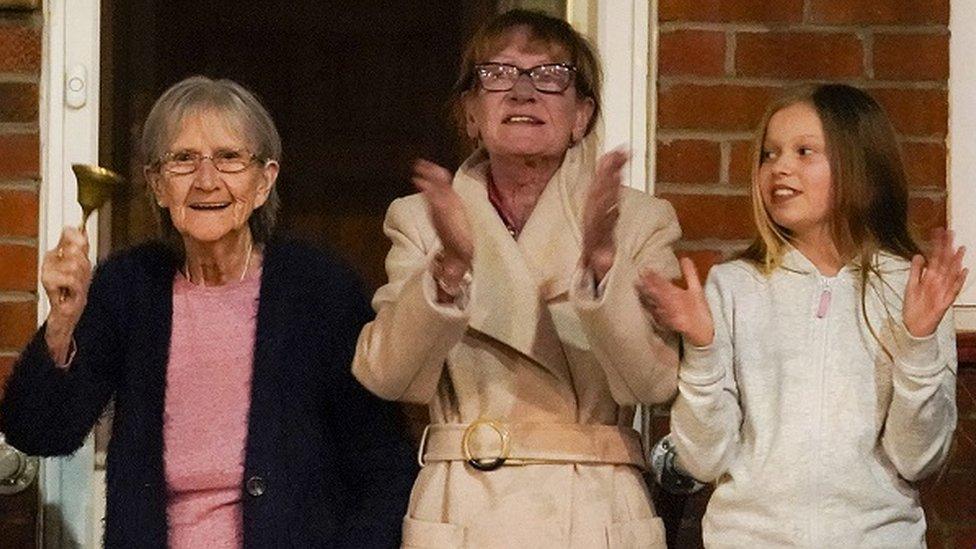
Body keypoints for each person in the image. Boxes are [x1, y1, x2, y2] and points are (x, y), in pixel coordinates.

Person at [0, 76, 416, 548]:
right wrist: (62, 321)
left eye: (229, 157)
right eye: (182, 160)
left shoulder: (319, 290)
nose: (206, 179)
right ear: (157, 186)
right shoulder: (129, 286)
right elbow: (38, 431)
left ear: (264, 181)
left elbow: (385, 469)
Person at [352, 10, 681, 548]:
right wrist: (449, 268)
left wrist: (601, 265)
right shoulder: (418, 220)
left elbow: (652, 384)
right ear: (470, 114)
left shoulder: (641, 221)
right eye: (498, 73)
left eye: (550, 75)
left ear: (582, 116)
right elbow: (386, 376)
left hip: (595, 508)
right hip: (463, 507)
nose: (523, 92)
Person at [637, 84, 964, 547]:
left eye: (804, 151)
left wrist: (918, 342)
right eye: (769, 154)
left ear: (861, 167)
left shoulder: (910, 288)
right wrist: (704, 351)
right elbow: (703, 459)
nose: (780, 168)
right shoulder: (734, 286)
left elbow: (918, 458)